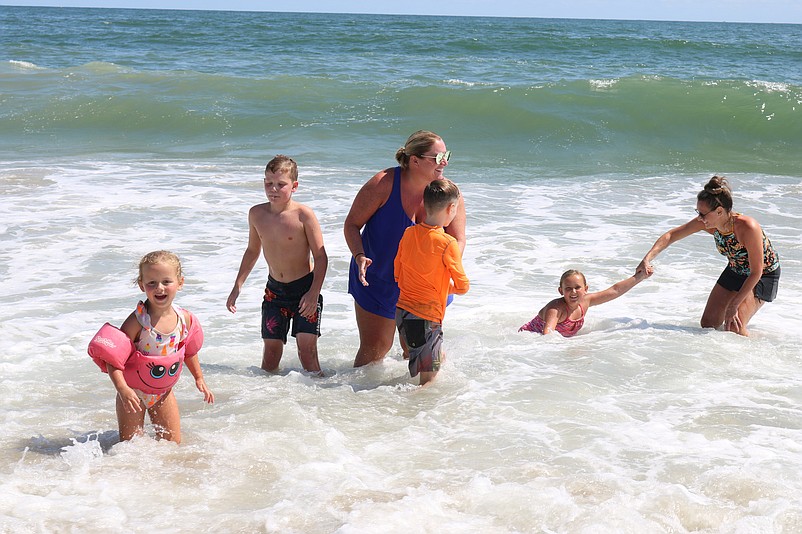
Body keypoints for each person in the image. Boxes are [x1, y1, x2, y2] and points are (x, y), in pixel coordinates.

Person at [344, 130, 466, 368]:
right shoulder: (384, 183)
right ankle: (354, 399)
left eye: (446, 155)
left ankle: (413, 403)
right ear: (415, 160)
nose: (445, 162)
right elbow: (352, 224)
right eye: (437, 157)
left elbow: (458, 240)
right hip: (377, 279)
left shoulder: (448, 193)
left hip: (424, 288)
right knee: (375, 349)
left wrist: (443, 271)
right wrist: (359, 255)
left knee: (419, 353)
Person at [87, 250, 214, 443]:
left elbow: (188, 351)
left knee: (172, 445)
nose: (159, 288)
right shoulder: (138, 321)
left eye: (166, 281)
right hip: (133, 394)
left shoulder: (184, 319)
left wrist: (199, 378)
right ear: (141, 285)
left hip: (163, 394)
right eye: (151, 283)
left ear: (180, 283)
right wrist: (122, 389)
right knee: (130, 450)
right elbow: (113, 360)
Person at [637, 175, 780, 336]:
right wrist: (647, 259)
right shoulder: (708, 224)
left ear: (719, 211)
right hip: (736, 269)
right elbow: (671, 236)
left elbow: (756, 271)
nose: (699, 218)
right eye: (698, 212)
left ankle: (753, 354)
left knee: (734, 326)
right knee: (708, 324)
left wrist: (734, 305)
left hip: (762, 275)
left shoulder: (747, 227)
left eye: (703, 214)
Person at [226, 155, 328, 374]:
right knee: (271, 354)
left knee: (306, 351)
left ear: (294, 186)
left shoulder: (303, 215)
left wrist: (313, 293)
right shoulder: (256, 214)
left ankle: (321, 396)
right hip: (275, 291)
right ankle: (268, 400)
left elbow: (321, 257)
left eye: (281, 184)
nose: (273, 189)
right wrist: (237, 286)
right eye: (268, 183)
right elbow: (253, 250)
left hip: (304, 290)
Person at [394, 179, 470, 385]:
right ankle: (415, 414)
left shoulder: (409, 233)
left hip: (401, 314)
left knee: (427, 359)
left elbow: (398, 272)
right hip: (426, 316)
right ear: (451, 208)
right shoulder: (447, 242)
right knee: (428, 382)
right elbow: (462, 285)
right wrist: (445, 286)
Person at [519, 268, 649, 336]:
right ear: (560, 291)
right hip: (529, 339)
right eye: (568, 289)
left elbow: (614, 291)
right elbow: (547, 336)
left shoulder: (586, 302)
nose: (573, 292)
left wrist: (639, 277)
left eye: (577, 288)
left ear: (585, 289)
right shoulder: (556, 309)